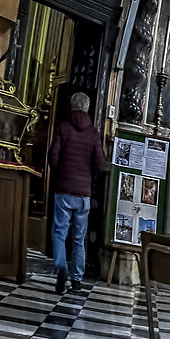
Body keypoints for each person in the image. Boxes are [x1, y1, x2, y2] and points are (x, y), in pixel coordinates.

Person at [46, 91, 107, 294]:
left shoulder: (63, 127)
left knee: (59, 232)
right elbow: (100, 164)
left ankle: (61, 267)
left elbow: (52, 157)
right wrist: (89, 179)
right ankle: (77, 279)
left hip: (64, 190)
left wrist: (61, 174)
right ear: (87, 108)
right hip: (83, 193)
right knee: (79, 238)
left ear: (71, 106)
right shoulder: (93, 133)